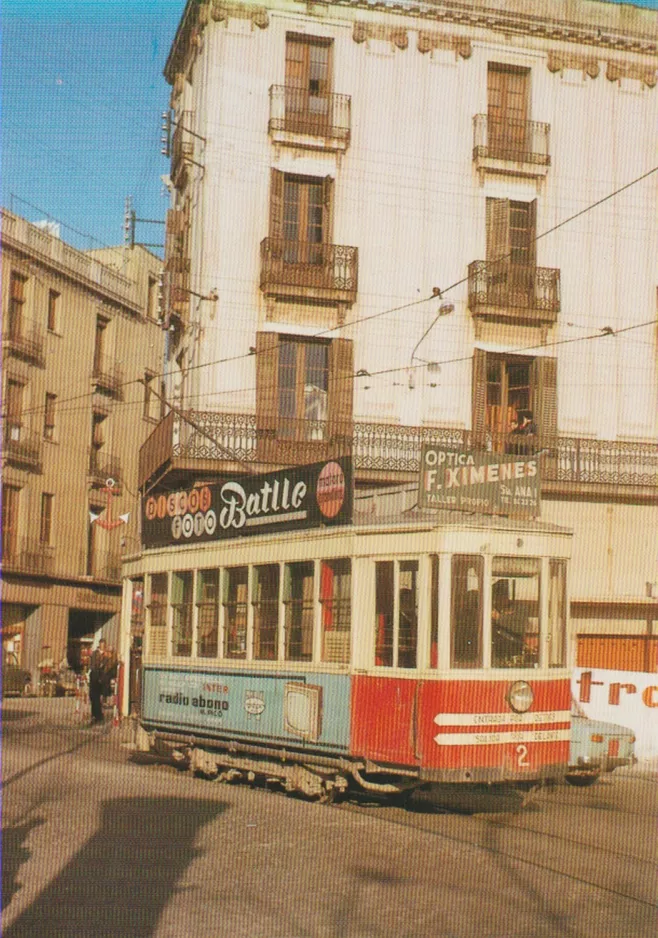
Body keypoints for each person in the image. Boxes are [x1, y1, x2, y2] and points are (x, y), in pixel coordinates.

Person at [88, 639, 107, 724]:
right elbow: (93, 665)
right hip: (94, 676)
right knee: (93, 696)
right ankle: (95, 715)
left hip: (100, 677)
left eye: (104, 645)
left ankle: (97, 715)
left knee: (97, 697)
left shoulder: (106, 655)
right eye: (102, 644)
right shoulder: (95, 653)